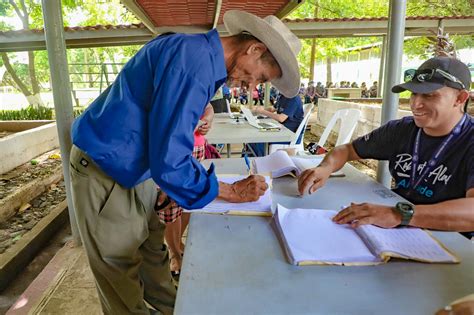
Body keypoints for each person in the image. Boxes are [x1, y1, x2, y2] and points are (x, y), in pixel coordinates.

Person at [69, 10, 301, 314]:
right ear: (254, 49)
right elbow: (171, 160)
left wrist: (200, 108)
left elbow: (165, 125)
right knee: (119, 271)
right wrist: (231, 191)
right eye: (259, 76)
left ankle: (174, 309)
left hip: (139, 168)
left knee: (153, 252)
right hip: (105, 168)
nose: (252, 85)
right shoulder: (193, 63)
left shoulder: (200, 59)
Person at [298, 56, 473, 237]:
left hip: (449, 241)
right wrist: (325, 168)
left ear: (460, 98)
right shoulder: (401, 129)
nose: (416, 104)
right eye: (413, 93)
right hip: (394, 231)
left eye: (429, 95)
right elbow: (347, 150)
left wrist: (399, 215)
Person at [164, 103, 214, 279]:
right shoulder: (174, 81)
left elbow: (207, 106)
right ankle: (174, 253)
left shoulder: (203, 81)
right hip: (172, 148)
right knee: (170, 204)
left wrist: (207, 119)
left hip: (197, 146)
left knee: (190, 201)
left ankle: (176, 243)